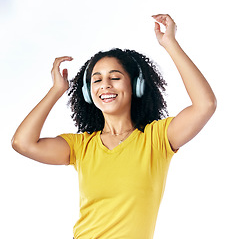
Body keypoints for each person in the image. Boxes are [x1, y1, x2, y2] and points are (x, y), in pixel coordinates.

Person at [11, 14, 217, 239]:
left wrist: (170, 43)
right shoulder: (82, 146)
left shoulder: (156, 139)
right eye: (97, 80)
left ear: (136, 86)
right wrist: (56, 91)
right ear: (89, 94)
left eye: (115, 77)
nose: (105, 85)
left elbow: (205, 104)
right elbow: (23, 143)